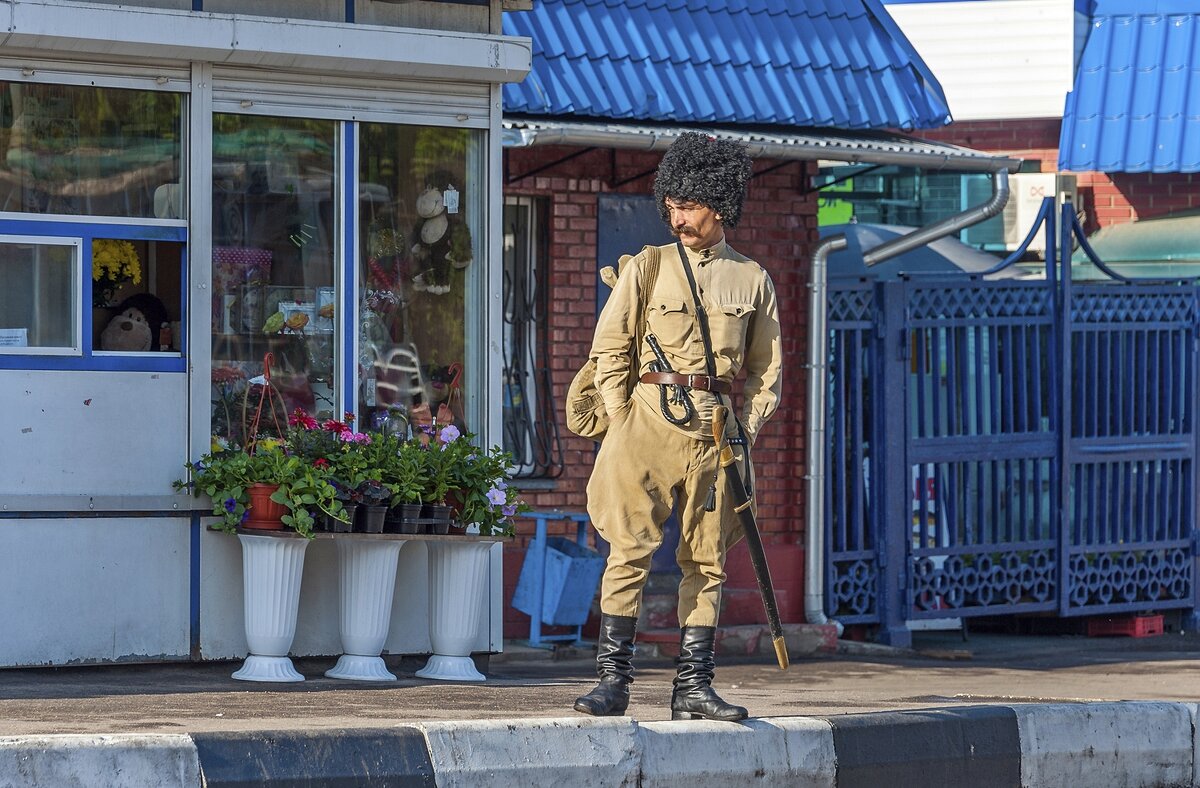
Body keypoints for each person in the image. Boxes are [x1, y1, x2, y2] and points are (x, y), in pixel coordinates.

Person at [573, 132, 782, 722]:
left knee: (707, 561)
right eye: (671, 204)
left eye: (689, 206)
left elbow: (767, 370)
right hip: (645, 421)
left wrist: (748, 429)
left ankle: (693, 688)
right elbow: (609, 349)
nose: (677, 216)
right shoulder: (648, 266)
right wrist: (620, 423)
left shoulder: (753, 280)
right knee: (628, 551)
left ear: (720, 204)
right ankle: (612, 683)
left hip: (717, 431)